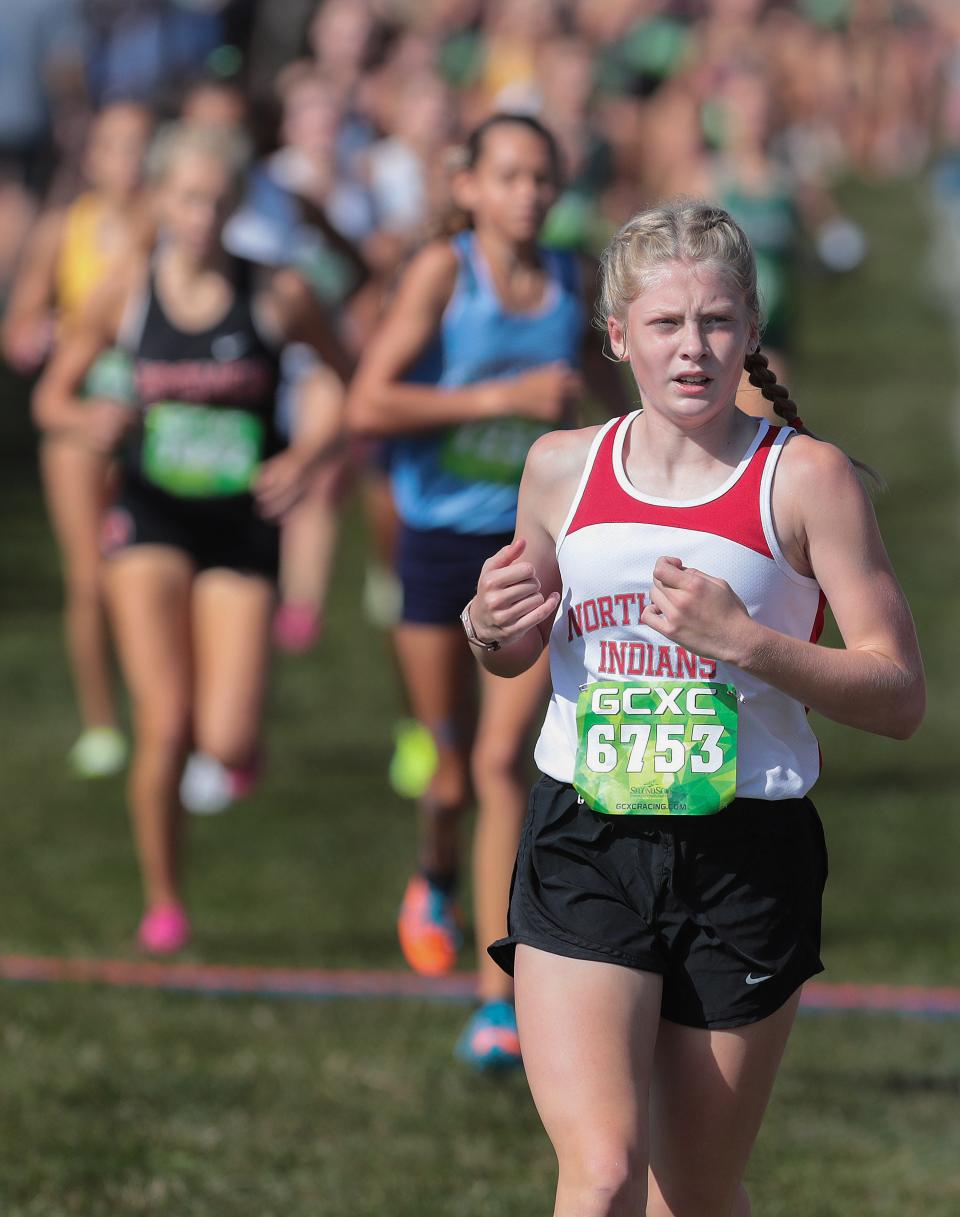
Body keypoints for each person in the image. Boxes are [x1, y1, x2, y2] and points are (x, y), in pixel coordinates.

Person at [468, 199, 924, 1213]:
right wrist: (485, 626)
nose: (693, 349)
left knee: (696, 1193)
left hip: (744, 851)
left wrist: (749, 643)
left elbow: (900, 694)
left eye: (717, 322)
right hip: (584, 834)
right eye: (667, 325)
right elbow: (511, 650)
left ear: (752, 330)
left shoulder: (806, 479)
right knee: (599, 1173)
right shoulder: (560, 468)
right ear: (618, 334)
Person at [347, 112, 625, 1069]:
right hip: (435, 541)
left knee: (506, 762)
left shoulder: (568, 278)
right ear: (466, 186)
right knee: (452, 765)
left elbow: (609, 386)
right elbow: (367, 401)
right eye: (510, 176)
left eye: (543, 177)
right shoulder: (442, 274)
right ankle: (433, 871)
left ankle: (493, 997)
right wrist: (496, 401)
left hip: (528, 545)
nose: (530, 194)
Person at [32, 121, 348, 953]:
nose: (201, 217)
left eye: (215, 200)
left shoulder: (276, 293)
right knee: (165, 722)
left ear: (235, 203)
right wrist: (87, 416)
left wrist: (309, 455)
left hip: (241, 523)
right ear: (159, 201)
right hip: (150, 515)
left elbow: (350, 381)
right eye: (185, 199)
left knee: (228, 737)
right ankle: (164, 901)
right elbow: (51, 396)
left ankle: (241, 744)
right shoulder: (125, 289)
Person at [3, 100, 154, 778]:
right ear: (92, 158)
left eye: (142, 146)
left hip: (157, 419)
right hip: (78, 416)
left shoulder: (175, 222)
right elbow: (20, 325)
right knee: (88, 577)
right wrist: (41, 337)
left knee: (152, 569)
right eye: (117, 146)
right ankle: (101, 722)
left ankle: (161, 710)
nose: (131, 160)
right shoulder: (64, 228)